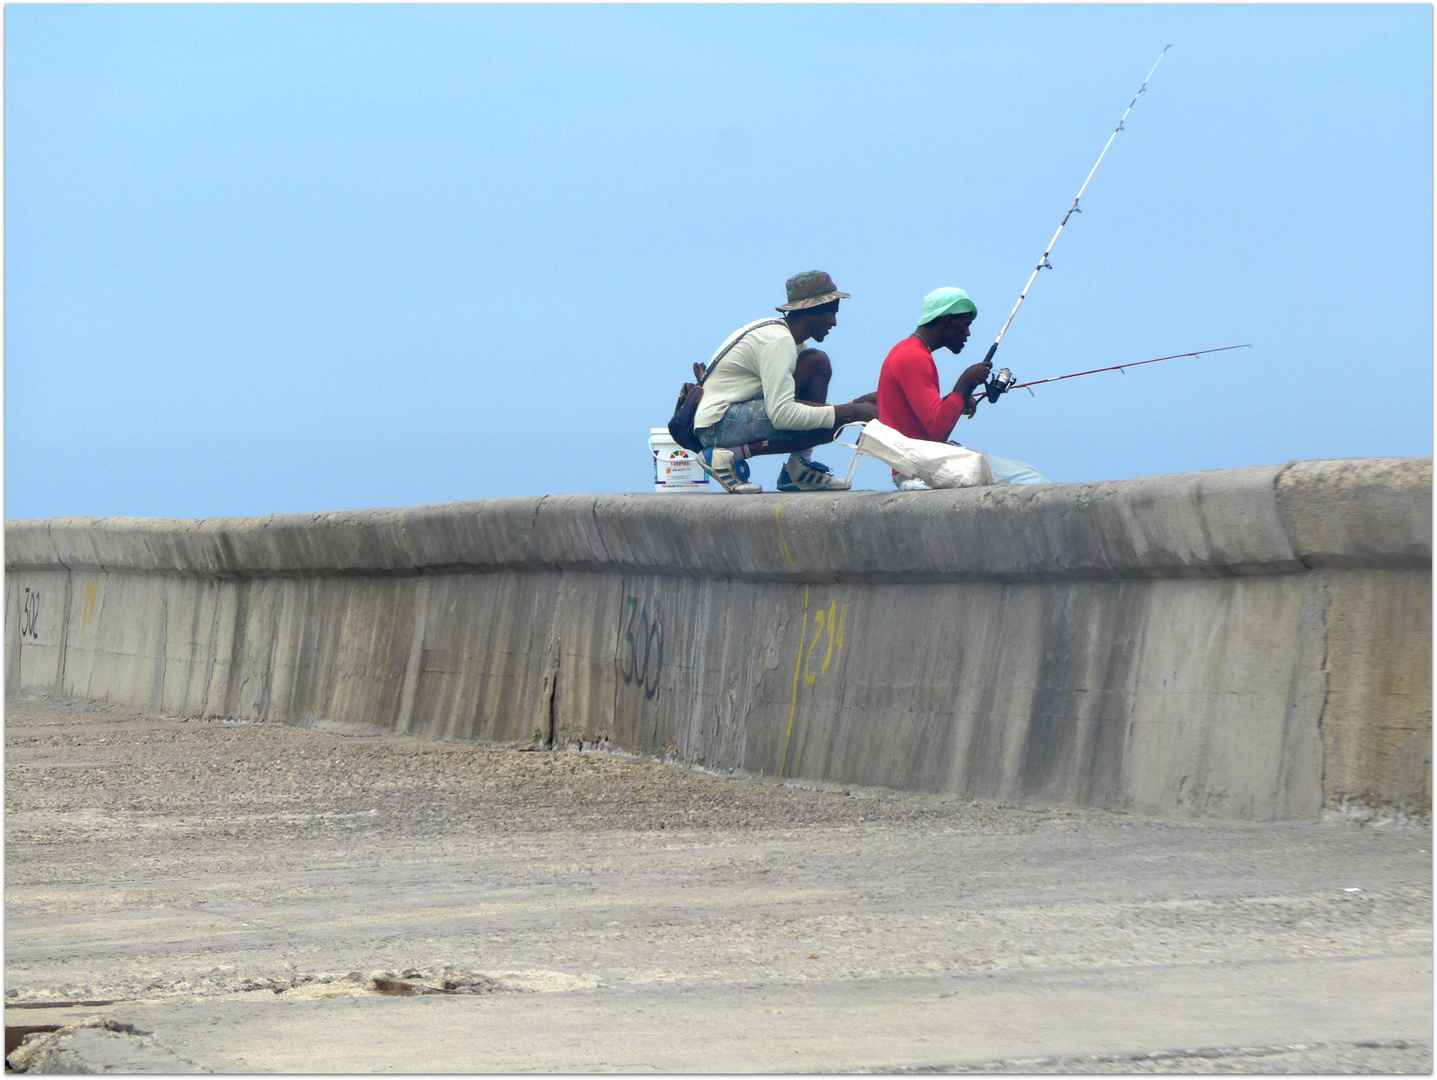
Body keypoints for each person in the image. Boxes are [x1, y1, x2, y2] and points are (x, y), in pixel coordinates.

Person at [693, 271, 878, 494]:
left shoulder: (789, 340)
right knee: (832, 424)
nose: (834, 322)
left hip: (730, 416)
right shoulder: (779, 342)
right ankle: (727, 455)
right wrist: (851, 410)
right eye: (831, 314)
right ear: (812, 313)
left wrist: (855, 407)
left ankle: (798, 469)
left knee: (817, 364)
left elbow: (794, 404)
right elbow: (782, 415)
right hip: (718, 425)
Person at [876, 287, 1046, 487]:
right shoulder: (914, 356)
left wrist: (959, 398)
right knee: (1031, 480)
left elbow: (930, 427)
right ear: (947, 321)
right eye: (965, 325)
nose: (968, 333)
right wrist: (965, 382)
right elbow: (937, 429)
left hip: (922, 461)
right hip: (921, 467)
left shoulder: (908, 351)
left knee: (1029, 470)